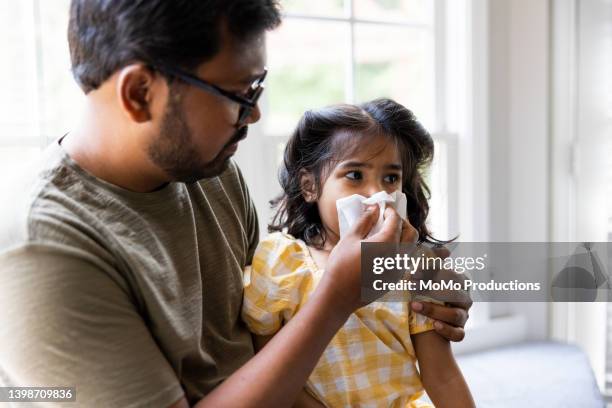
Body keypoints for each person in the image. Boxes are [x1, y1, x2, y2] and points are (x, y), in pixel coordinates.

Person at [0, 1, 472, 407]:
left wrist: (431, 292)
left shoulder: (211, 172)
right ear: (140, 93)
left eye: (257, 88)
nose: (255, 114)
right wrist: (337, 297)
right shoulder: (43, 252)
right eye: (238, 95)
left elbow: (268, 326)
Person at [242, 99, 475, 408]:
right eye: (355, 176)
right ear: (310, 186)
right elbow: (270, 370)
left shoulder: (415, 266)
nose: (375, 193)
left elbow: (442, 375)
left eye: (390, 178)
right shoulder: (280, 262)